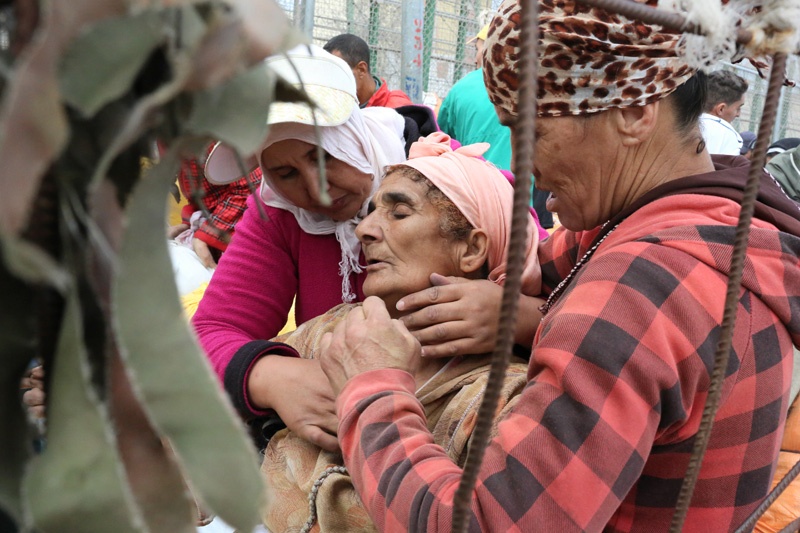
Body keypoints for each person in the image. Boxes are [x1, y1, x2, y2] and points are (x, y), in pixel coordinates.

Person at [317, 1, 800, 531]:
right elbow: (555, 261)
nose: (527, 168)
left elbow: (483, 523)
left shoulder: (644, 285)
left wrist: (373, 388)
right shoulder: (715, 218)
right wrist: (519, 309)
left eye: (533, 134)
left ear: (636, 112)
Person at [260, 133, 540, 532]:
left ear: (473, 249)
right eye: (372, 212)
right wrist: (265, 378)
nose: (364, 230)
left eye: (399, 213)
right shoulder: (341, 326)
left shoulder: (503, 400)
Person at [191, 43, 408, 450]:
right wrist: (268, 377)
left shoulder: (448, 183)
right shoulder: (280, 214)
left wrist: (509, 312)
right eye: (286, 172)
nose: (316, 190)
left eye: (325, 156)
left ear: (354, 136)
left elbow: (548, 287)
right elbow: (212, 330)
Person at [323, 33, 414, 109]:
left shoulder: (396, 108)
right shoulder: (333, 106)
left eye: (337, 72)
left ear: (361, 70)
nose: (331, 81)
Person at [699, 69, 748, 155]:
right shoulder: (728, 136)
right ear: (721, 109)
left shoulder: (680, 124)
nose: (738, 114)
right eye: (738, 108)